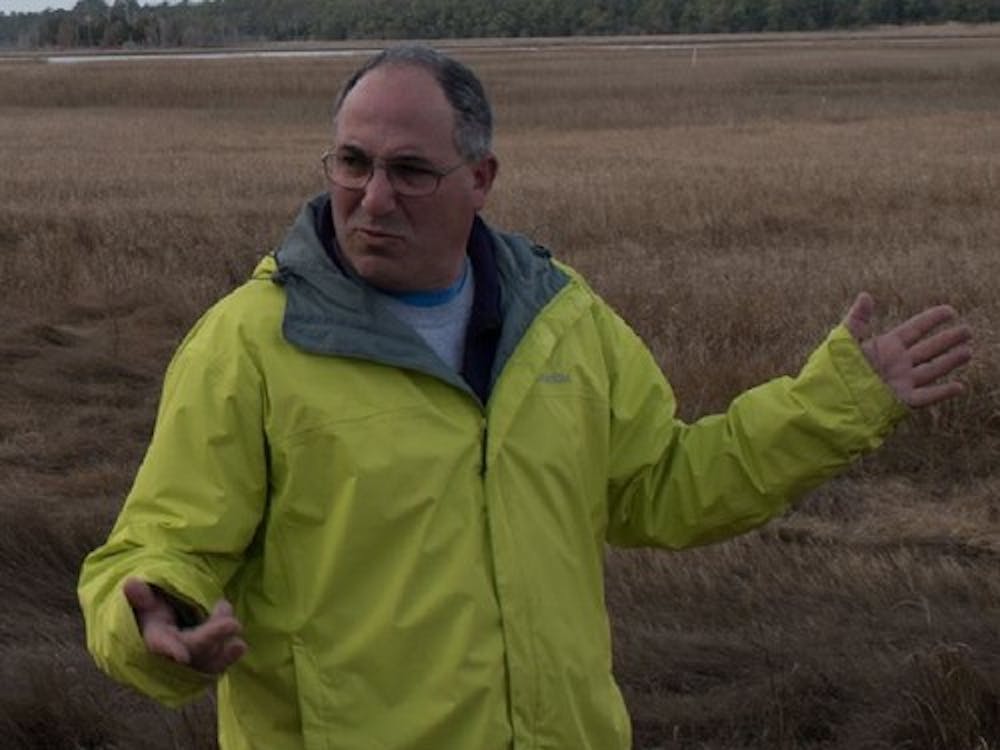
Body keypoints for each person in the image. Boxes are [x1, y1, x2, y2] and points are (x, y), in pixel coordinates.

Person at [78, 45, 972, 750]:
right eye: (351, 162)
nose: (373, 199)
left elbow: (667, 486)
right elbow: (162, 545)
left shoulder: (561, 320)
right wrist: (151, 613)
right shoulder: (251, 344)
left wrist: (838, 403)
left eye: (410, 171)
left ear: (481, 179)